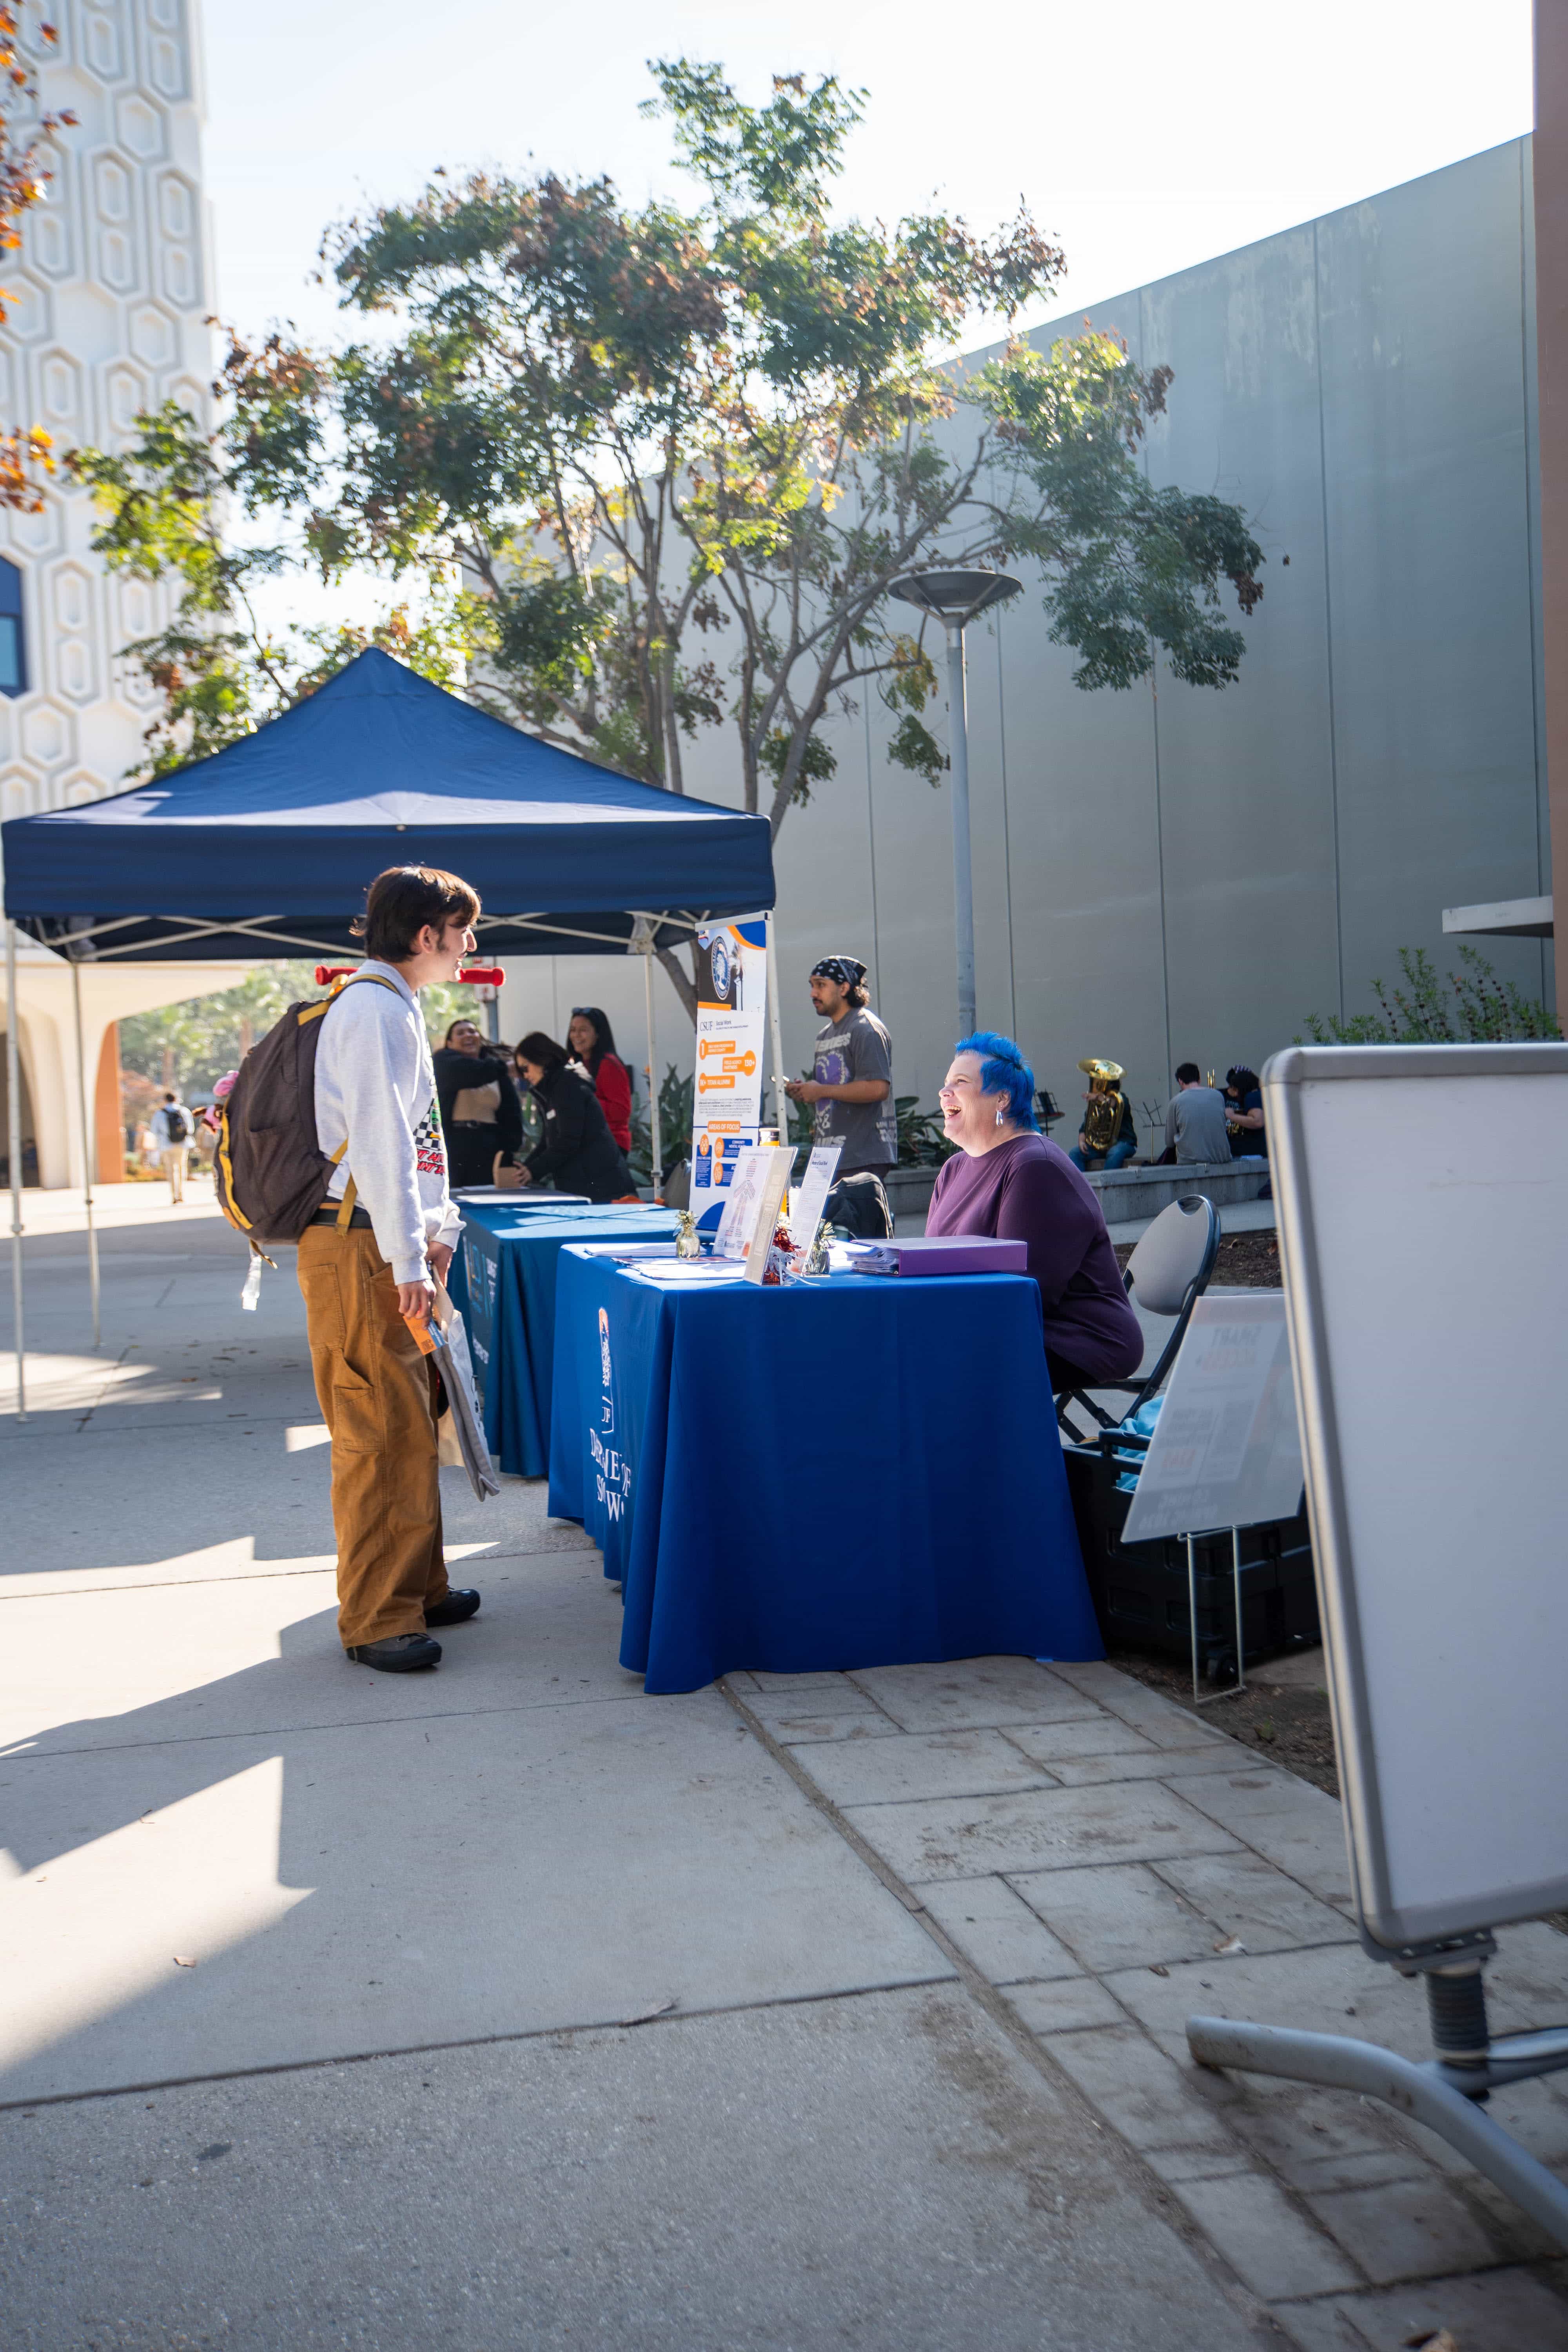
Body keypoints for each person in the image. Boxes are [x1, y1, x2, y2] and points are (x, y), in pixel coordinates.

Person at [297, 864, 485, 1675]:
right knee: (376, 1429)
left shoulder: (390, 1004)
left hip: (384, 1242)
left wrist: (433, 1231)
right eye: (461, 931)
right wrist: (410, 1253)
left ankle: (416, 1586)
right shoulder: (373, 1008)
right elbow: (380, 1144)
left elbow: (416, 1146)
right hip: (362, 1244)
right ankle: (376, 1617)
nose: (469, 946)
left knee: (412, 1414)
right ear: (424, 936)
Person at [925, 1032, 1144, 1394]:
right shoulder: (953, 1169)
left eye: (960, 1083)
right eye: (946, 1083)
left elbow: (1021, 1292)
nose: (944, 1092)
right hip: (985, 1323)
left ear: (1002, 1098)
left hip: (1072, 1336)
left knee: (928, 1362)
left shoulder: (1033, 1164)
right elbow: (932, 1267)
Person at [783, 955, 897, 1180]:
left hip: (862, 1155)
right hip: (829, 1157)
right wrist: (807, 1091)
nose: (813, 994)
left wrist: (821, 1091)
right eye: (812, 986)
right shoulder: (824, 1035)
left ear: (844, 988)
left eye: (821, 985)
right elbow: (830, 1090)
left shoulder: (866, 1029)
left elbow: (878, 1089)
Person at [512, 1032, 633, 1202]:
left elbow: (568, 1140)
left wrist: (533, 1171)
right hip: (584, 1185)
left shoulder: (567, 1085)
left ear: (541, 1059)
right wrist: (526, 1170)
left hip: (601, 1188)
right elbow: (549, 1141)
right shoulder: (551, 1090)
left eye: (525, 1068)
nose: (525, 1075)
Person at [432, 1015, 523, 1189]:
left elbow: (512, 1114)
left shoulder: (496, 1071)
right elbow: (470, 1071)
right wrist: (503, 1068)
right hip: (454, 1144)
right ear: (450, 1043)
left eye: (473, 1031)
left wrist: (510, 1150)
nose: (468, 1035)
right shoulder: (445, 1063)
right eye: (460, 1033)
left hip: (489, 1145)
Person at [567, 1006, 634, 1155]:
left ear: (598, 1034)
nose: (576, 1035)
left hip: (610, 1144)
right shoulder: (576, 1064)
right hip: (588, 1143)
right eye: (573, 1030)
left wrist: (583, 1100)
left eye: (583, 1030)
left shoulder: (609, 1064)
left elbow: (621, 1111)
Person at [1069, 1062, 1136, 1171]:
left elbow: (1113, 1103)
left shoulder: (1121, 1099)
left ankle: (1106, 1186)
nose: (1096, 1083)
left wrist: (1098, 1097)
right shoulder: (1094, 1104)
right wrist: (1082, 1142)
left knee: (1115, 1152)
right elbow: (1084, 1130)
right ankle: (1081, 1187)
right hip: (1100, 1148)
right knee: (1075, 1153)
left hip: (1124, 1142)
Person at [1161, 1063, 1232, 1165]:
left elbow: (1169, 1142)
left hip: (1190, 1161)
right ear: (1199, 1080)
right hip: (1221, 1159)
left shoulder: (1176, 1101)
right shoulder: (1218, 1096)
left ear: (1180, 1081)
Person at [151, 1089, 192, 1203]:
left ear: (165, 1100)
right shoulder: (184, 1111)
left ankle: (174, 1196)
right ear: (177, 1099)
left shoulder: (160, 1113)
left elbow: (154, 1131)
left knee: (171, 1170)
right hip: (183, 1144)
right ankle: (181, 1194)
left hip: (166, 1145)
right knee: (181, 1168)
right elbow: (191, 1129)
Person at [1224, 1065, 1268, 1157]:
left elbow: (1258, 1122)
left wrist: (1232, 1116)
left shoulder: (1252, 1097)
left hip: (1254, 1152)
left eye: (1236, 1089)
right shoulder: (1260, 1094)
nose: (1235, 1094)